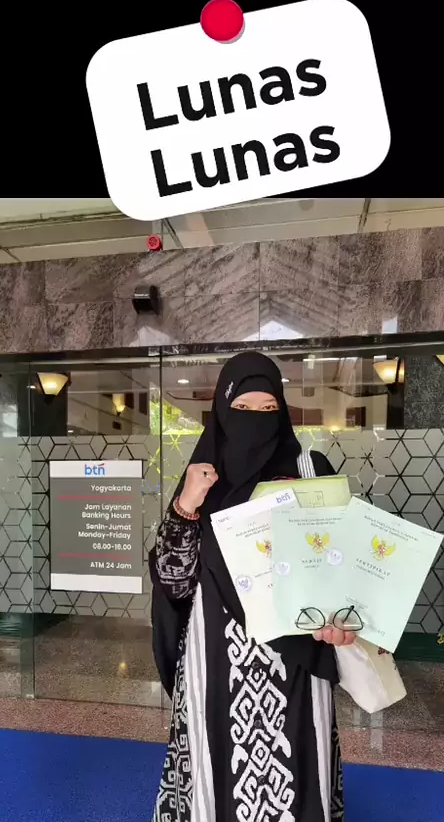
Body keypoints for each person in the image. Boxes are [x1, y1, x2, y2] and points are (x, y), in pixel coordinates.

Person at [149, 351, 355, 822]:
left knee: (299, 766)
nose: (255, 420)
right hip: (216, 659)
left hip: (295, 660)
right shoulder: (201, 479)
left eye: (268, 408)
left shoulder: (311, 472)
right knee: (217, 770)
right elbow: (173, 584)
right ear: (223, 411)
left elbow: (340, 569)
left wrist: (341, 618)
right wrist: (186, 507)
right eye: (242, 408)